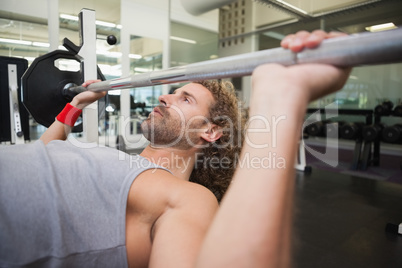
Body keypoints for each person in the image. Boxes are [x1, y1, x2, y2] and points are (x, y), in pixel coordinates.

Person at [0, 30, 350, 268]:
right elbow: (46, 155)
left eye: (185, 98)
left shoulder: (188, 198)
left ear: (211, 131)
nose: (165, 96)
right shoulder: (125, 164)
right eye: (172, 92)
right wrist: (76, 104)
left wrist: (280, 95)